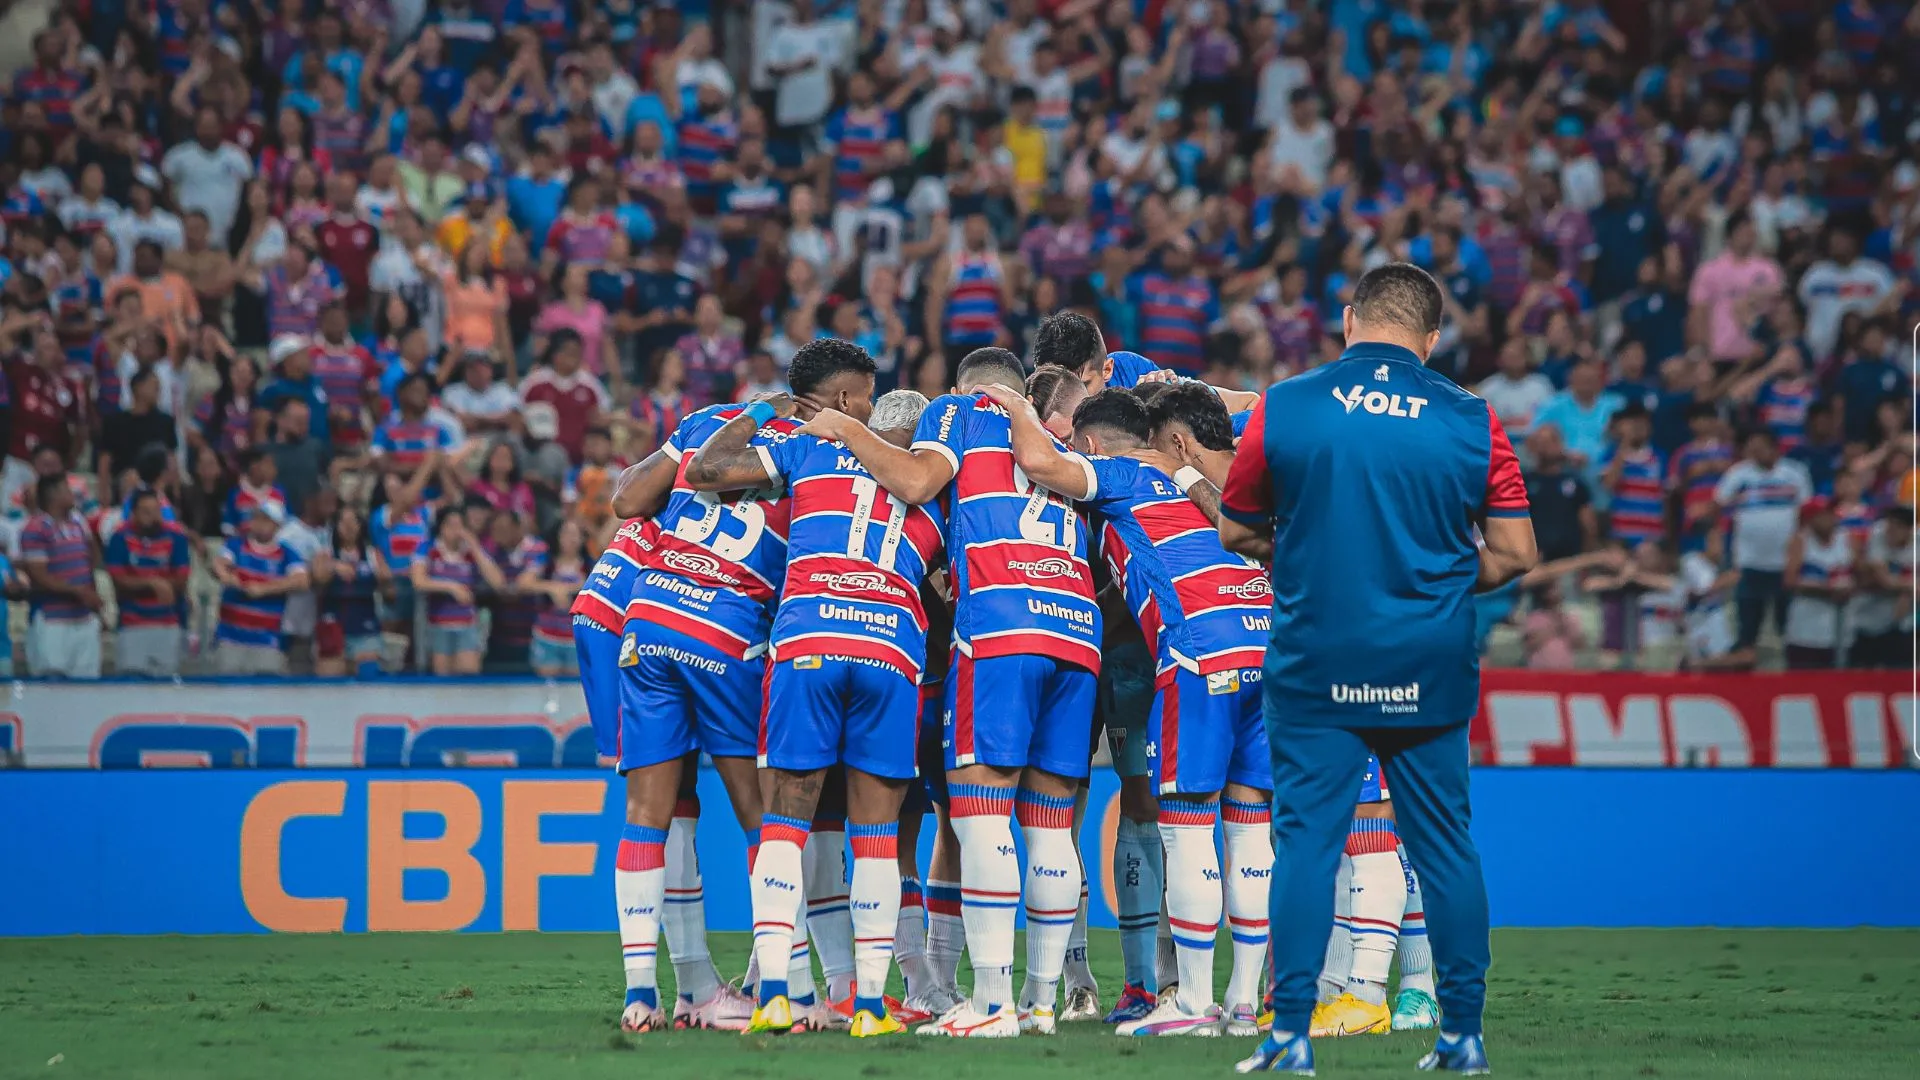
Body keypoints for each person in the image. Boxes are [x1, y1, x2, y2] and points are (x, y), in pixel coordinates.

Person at [1215, 264, 1535, 1075]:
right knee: (1445, 849)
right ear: (1431, 340)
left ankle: (1289, 1037)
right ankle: (1461, 1037)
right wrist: (1432, 577)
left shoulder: (1285, 404)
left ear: (1348, 318)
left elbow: (1236, 531)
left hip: (1316, 658)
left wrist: (1317, 558)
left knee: (1308, 846)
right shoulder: (1473, 418)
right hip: (1427, 661)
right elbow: (1518, 553)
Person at [797, 347, 1101, 1039]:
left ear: (968, 390)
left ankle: (990, 1002)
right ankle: (1040, 1002)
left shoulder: (959, 413)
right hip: (1075, 632)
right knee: (1051, 826)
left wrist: (846, 431)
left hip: (1000, 626)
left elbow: (912, 479)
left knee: (982, 812)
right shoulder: (1054, 438)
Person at [984, 380, 1274, 1038]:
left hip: (1201, 653)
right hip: (1268, 649)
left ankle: (1194, 1002)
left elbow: (1038, 463)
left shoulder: (1115, 472)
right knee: (1251, 829)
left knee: (1190, 827)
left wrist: (1017, 408)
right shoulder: (1197, 475)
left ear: (1089, 444)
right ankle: (1241, 1004)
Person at [685, 344, 938, 1039]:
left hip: (806, 642)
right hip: (887, 648)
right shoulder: (932, 483)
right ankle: (870, 1006)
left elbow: (707, 469)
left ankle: (773, 994)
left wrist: (767, 409)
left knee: (785, 822)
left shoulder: (804, 451)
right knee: (878, 836)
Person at [1713, 429, 1814, 654]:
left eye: (1760, 447)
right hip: (1749, 563)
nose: (1756, 453)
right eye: (1752, 448)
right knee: (1748, 625)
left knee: (1785, 625)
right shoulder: (1738, 474)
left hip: (1784, 563)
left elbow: (1805, 515)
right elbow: (1718, 506)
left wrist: (1796, 559)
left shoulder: (1795, 473)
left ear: (1775, 448)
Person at [19, 473, 105, 679]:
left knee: (87, 682)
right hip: (52, 620)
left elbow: (88, 567)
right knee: (51, 681)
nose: (72, 494)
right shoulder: (35, 528)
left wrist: (93, 601)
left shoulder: (78, 525)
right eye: (67, 489)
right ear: (53, 495)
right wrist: (76, 591)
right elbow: (39, 574)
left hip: (84, 619)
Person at [211, 502, 310, 675]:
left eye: (266, 519)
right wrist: (227, 577)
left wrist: (264, 589)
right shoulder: (236, 545)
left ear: (277, 525)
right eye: (256, 517)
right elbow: (220, 563)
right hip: (230, 639)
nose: (259, 523)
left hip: (267, 642)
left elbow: (302, 580)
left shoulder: (286, 554)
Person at [103, 488, 192, 677]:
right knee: (130, 683)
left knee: (167, 687)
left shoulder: (176, 537)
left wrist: (144, 583)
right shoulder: (119, 538)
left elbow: (180, 580)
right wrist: (153, 584)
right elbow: (120, 581)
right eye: (145, 511)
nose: (152, 516)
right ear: (133, 513)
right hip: (132, 625)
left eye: (156, 510)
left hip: (167, 625)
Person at [411, 506, 508, 675]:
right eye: (451, 525)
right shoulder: (428, 548)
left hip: (467, 625)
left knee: (469, 679)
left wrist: (474, 546)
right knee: (442, 682)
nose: (455, 530)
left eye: (460, 525)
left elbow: (498, 582)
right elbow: (419, 581)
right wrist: (452, 587)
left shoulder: (471, 552)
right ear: (442, 527)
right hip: (437, 625)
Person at [1781, 498, 1854, 669]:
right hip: (1806, 628)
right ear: (1810, 519)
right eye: (1822, 515)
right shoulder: (1801, 541)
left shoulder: (1845, 539)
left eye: (1830, 513)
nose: (1829, 518)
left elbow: (1859, 573)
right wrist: (1827, 589)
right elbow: (1789, 581)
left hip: (1840, 627)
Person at [317, 505, 389, 677]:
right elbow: (318, 575)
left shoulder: (372, 554)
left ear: (360, 526)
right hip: (332, 629)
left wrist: (380, 575)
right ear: (335, 526)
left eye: (353, 521)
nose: (348, 526)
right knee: (329, 684)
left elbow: (387, 579)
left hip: (365, 626)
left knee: (369, 679)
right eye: (343, 521)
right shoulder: (326, 553)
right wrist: (335, 566)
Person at [1849, 505, 1915, 669]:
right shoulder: (1878, 535)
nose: (1890, 531)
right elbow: (1883, 579)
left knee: (1899, 673)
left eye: (1897, 527)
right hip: (1868, 618)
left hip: (1902, 622)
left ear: (1908, 530)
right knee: (1865, 673)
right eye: (1889, 524)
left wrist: (1905, 592)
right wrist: (1909, 588)